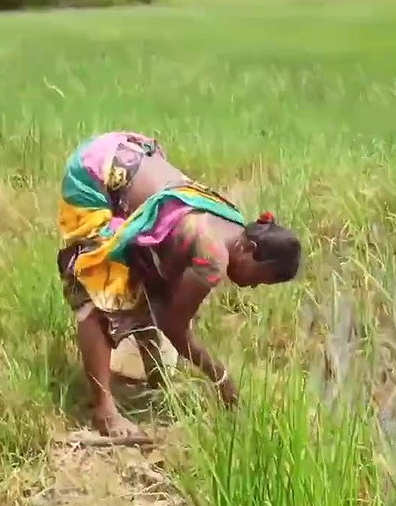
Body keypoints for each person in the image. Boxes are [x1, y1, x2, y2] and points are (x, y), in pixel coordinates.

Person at [55, 131, 303, 438]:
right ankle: (105, 412)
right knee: (101, 291)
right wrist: (220, 377)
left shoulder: (233, 222)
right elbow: (173, 325)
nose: (252, 287)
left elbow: (165, 287)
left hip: (124, 153)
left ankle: (155, 377)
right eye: (259, 279)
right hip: (95, 176)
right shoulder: (212, 258)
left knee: (147, 277)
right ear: (249, 250)